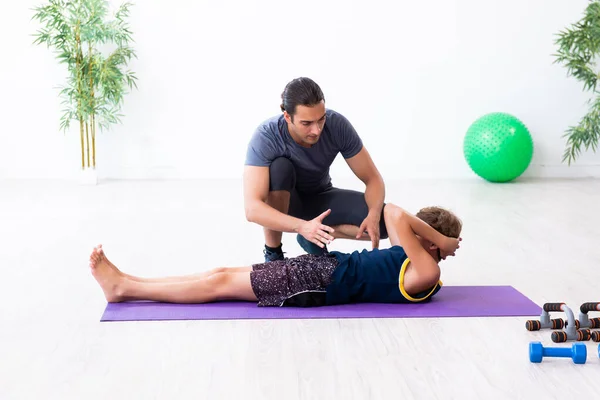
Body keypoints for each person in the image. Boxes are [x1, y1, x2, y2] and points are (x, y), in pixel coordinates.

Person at [89, 203, 462, 307]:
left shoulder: (425, 272)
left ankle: (123, 289)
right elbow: (395, 213)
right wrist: (440, 240)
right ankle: (130, 281)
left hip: (318, 283)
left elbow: (396, 215)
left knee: (219, 283)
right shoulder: (416, 255)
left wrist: (439, 243)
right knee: (219, 271)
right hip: (320, 269)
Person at [244, 77, 387, 262]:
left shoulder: (337, 125)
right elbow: (252, 209)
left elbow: (373, 179)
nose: (316, 130)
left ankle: (314, 235)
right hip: (287, 205)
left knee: (383, 224)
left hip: (320, 197)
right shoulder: (266, 136)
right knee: (280, 167)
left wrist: (374, 215)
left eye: (321, 119)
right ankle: (273, 254)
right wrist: (301, 226)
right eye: (306, 123)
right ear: (287, 116)